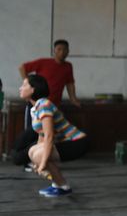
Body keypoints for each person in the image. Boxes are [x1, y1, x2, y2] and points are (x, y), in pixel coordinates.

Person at [12, 39, 81, 167]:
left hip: (52, 107)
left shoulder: (67, 67)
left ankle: (42, 160)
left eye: (65, 49)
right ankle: (30, 160)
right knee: (31, 132)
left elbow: (70, 83)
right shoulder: (44, 62)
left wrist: (73, 99)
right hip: (36, 105)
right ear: (54, 51)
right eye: (59, 49)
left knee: (47, 135)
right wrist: (28, 85)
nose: (62, 52)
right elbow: (23, 67)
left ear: (68, 51)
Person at [19, 74, 88, 196]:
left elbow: (49, 136)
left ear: (33, 89)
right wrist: (37, 162)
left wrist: (43, 163)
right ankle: (57, 185)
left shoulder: (44, 105)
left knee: (40, 154)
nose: (20, 88)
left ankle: (62, 186)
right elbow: (42, 135)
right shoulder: (35, 108)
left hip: (77, 143)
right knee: (32, 152)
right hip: (65, 142)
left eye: (24, 85)